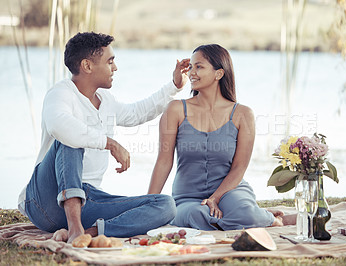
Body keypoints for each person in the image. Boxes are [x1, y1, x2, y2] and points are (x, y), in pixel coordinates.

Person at [17, 32, 190, 243]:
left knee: (165, 205)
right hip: (45, 202)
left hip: (88, 200)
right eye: (110, 61)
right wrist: (109, 143)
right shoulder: (60, 93)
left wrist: (174, 85)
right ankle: (74, 228)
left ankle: (89, 233)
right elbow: (59, 125)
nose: (115, 68)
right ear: (88, 66)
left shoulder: (105, 100)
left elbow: (138, 112)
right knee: (71, 139)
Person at [148, 44, 293, 230]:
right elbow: (163, 161)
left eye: (199, 66)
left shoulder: (243, 114)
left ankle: (257, 215)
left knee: (243, 213)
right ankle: (256, 217)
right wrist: (149, 205)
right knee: (195, 215)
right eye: (190, 66)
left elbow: (239, 167)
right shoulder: (176, 109)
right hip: (187, 197)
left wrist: (214, 198)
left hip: (230, 192)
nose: (192, 72)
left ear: (218, 74)